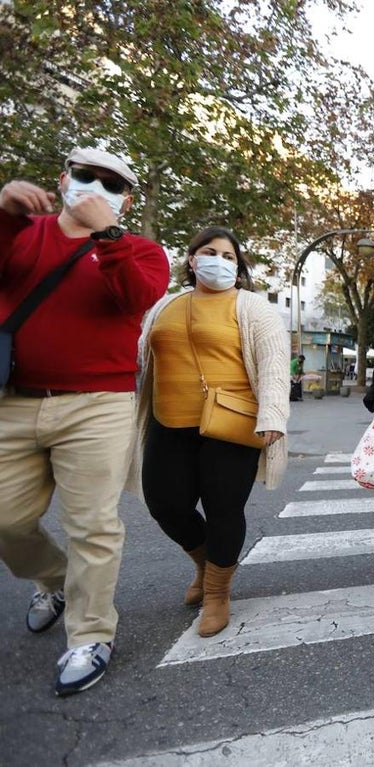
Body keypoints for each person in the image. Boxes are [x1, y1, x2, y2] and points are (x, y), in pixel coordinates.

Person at [0, 147, 169, 695]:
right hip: (15, 399)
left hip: (98, 404)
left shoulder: (140, 250)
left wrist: (109, 238)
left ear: (127, 199)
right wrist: (5, 212)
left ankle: (92, 633)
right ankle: (54, 582)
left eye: (112, 184)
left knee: (93, 525)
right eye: (85, 176)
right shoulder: (26, 233)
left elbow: (137, 297)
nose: (96, 188)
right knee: (5, 519)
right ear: (63, 177)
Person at [131, 227, 289, 637]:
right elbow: (142, 360)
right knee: (165, 504)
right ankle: (204, 561)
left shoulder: (253, 307)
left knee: (223, 510)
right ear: (191, 260)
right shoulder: (164, 305)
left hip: (232, 424)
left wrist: (272, 416)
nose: (218, 259)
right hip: (169, 423)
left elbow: (273, 363)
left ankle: (217, 592)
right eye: (208, 251)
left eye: (228, 255)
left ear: (238, 269)